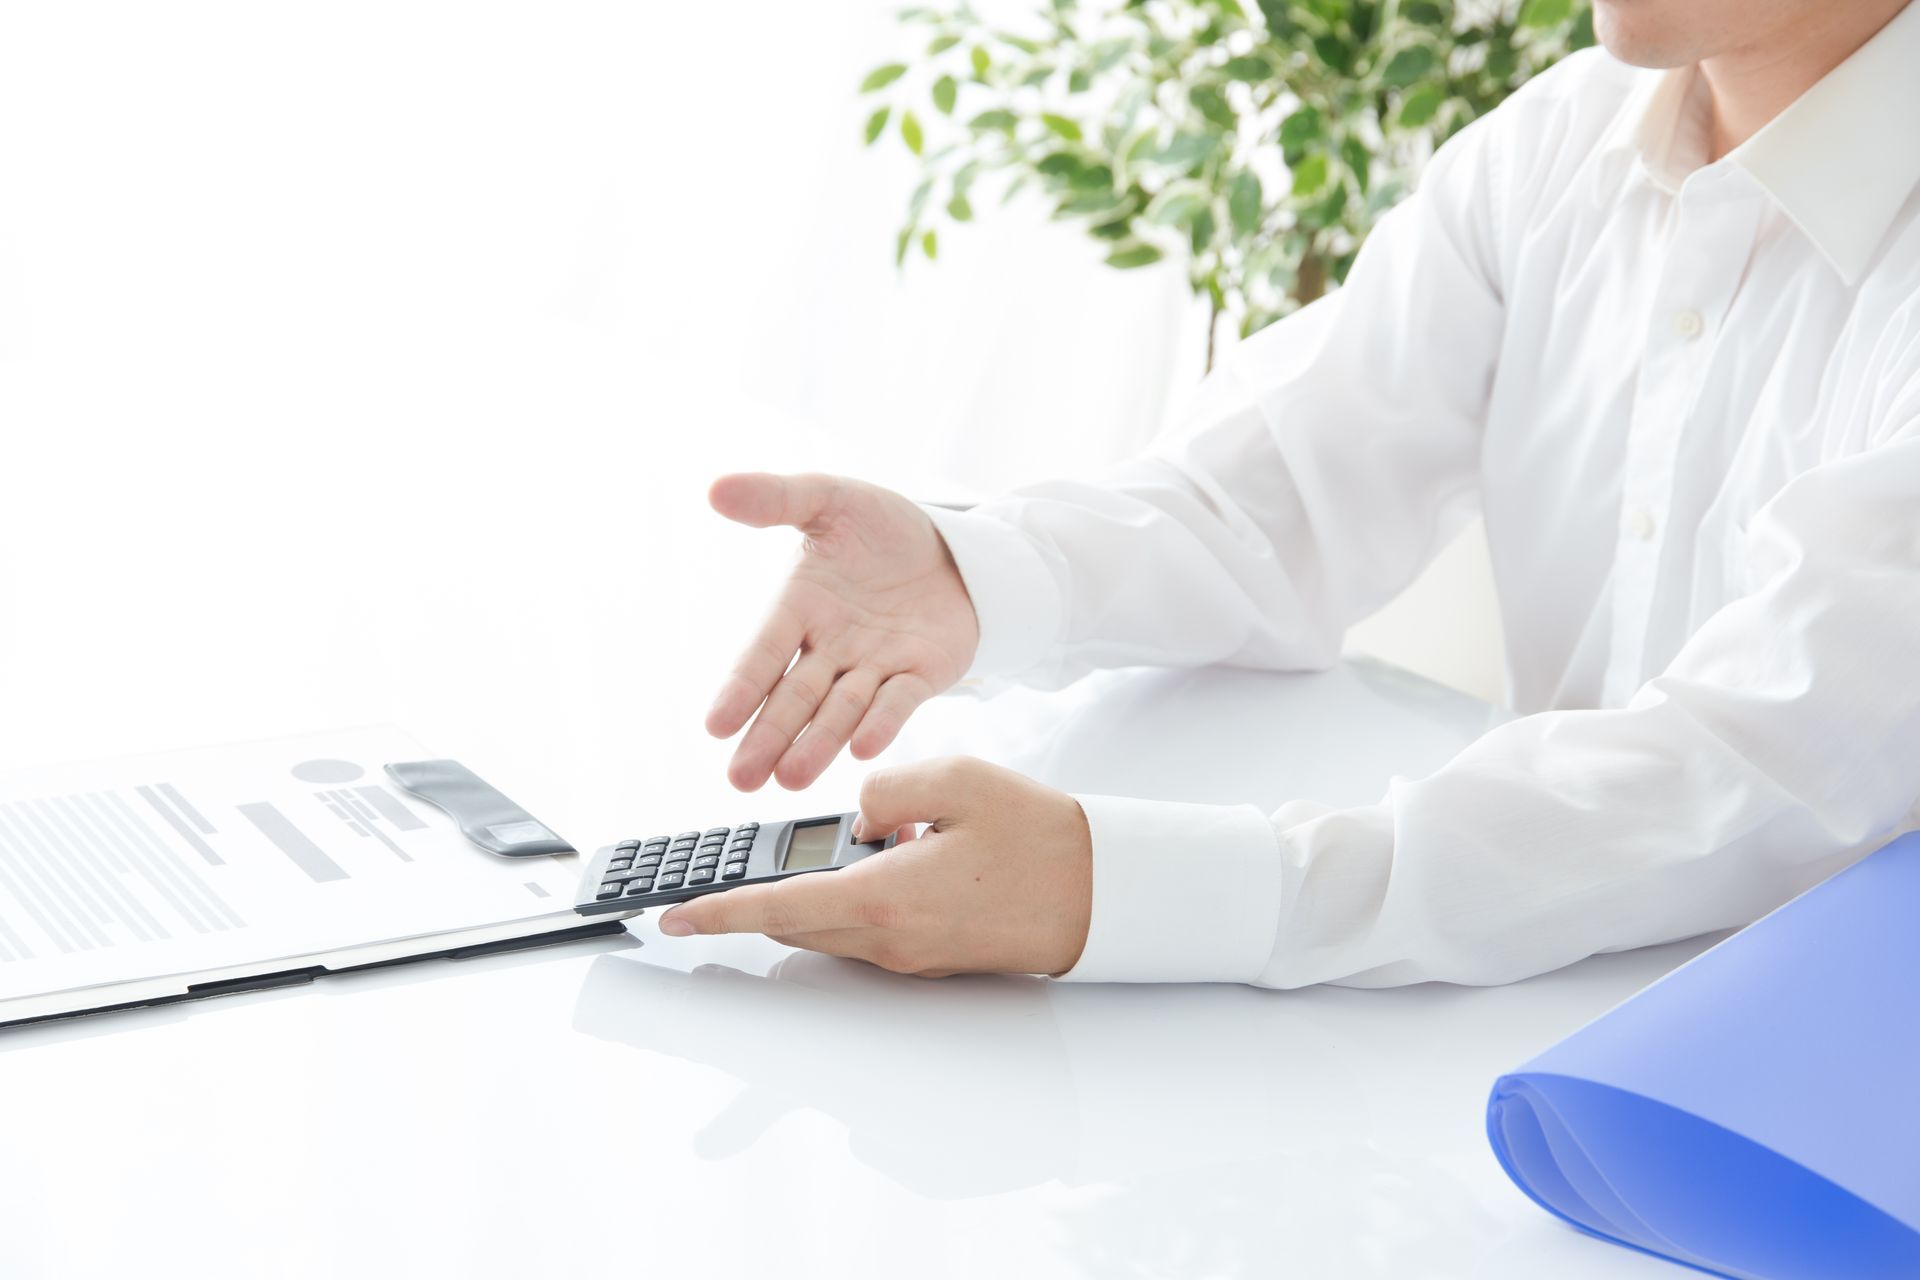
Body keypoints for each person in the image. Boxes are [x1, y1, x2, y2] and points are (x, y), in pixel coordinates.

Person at [657, 0, 1920, 987]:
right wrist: (972, 574)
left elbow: (1743, 768)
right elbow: (1282, 490)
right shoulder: (1564, 143)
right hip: (1537, 1019)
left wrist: (1129, 887)